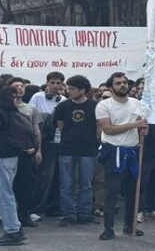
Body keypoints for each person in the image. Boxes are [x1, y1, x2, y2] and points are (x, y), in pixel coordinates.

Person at [0, 86, 37, 246]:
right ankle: (15, 227)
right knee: (7, 193)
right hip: (12, 155)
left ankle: (12, 231)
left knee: (2, 194)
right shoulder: (11, 110)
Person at [95, 72, 147, 240]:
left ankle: (129, 225)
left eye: (124, 82)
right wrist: (134, 124)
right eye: (118, 83)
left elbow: (143, 123)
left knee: (133, 191)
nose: (122, 85)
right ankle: (108, 228)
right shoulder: (104, 105)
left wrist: (143, 128)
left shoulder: (137, 103)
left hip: (132, 150)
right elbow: (108, 129)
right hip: (113, 151)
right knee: (112, 191)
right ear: (111, 87)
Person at [53, 75, 99, 226]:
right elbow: (61, 126)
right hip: (67, 149)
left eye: (72, 89)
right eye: (68, 88)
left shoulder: (94, 106)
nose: (69, 91)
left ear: (83, 90)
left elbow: (98, 128)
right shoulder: (62, 106)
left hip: (88, 149)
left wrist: (95, 142)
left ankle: (85, 213)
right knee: (66, 184)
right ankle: (68, 214)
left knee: (86, 183)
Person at [29, 71, 66, 218]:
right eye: (52, 82)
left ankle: (53, 207)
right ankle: (37, 208)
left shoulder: (63, 100)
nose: (55, 86)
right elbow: (31, 118)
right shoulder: (37, 97)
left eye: (58, 83)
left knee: (56, 176)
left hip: (56, 140)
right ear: (47, 83)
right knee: (43, 176)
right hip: (40, 139)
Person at [9, 77, 43, 227]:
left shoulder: (31, 109)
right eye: (16, 86)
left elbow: (36, 130)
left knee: (27, 184)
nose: (19, 88)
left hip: (28, 152)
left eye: (22, 86)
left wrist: (38, 150)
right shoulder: (5, 108)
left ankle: (25, 214)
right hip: (11, 152)